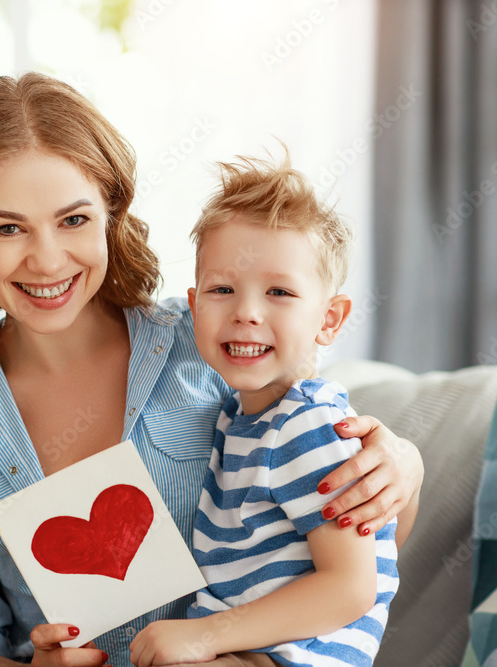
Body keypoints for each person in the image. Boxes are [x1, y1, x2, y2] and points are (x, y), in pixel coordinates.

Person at [0, 72, 423, 667]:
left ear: (110, 214)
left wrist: (404, 467)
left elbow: (357, 539)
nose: (46, 259)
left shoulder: (213, 340)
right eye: (7, 227)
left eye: (73, 220)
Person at [129, 155, 399, 667]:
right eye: (222, 289)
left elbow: (351, 586)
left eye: (279, 292)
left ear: (329, 319)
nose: (247, 311)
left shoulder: (309, 423)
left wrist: (207, 635)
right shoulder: (237, 418)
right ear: (193, 307)